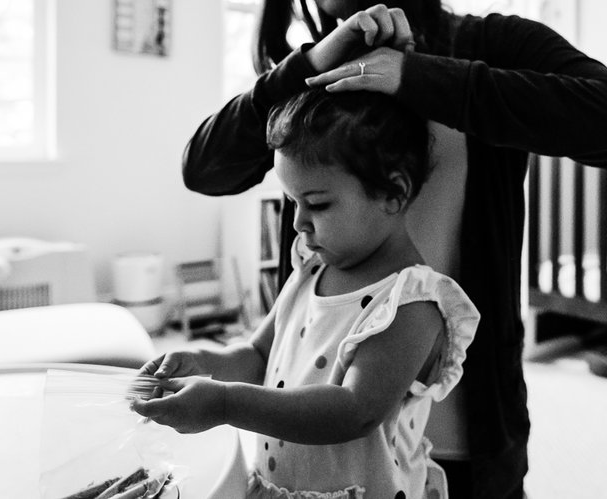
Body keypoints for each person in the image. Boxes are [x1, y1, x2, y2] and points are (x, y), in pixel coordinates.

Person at [180, 0, 607, 498]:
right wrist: (307, 64)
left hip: (464, 439)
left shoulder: (488, 47)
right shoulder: (309, 78)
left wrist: (422, 77)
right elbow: (203, 168)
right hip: (315, 437)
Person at [135, 89, 480, 498]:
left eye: (317, 203)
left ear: (394, 194)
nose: (299, 222)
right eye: (292, 202)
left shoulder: (410, 303)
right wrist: (203, 361)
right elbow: (260, 354)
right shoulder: (311, 270)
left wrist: (226, 404)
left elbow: (353, 411)